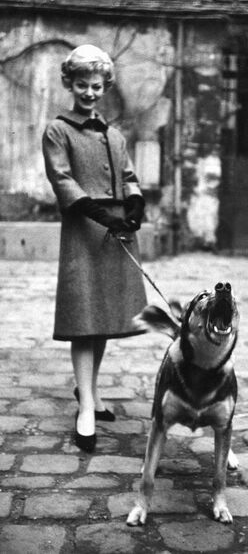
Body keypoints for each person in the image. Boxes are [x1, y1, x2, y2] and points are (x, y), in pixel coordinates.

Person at [42, 44, 147, 452]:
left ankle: (92, 391)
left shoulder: (113, 133)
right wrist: (103, 216)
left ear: (105, 87)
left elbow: (129, 174)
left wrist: (135, 207)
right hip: (85, 230)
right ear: (70, 84)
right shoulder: (58, 130)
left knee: (102, 315)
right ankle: (86, 407)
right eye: (82, 85)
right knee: (83, 317)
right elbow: (63, 179)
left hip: (117, 232)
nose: (89, 92)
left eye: (96, 85)